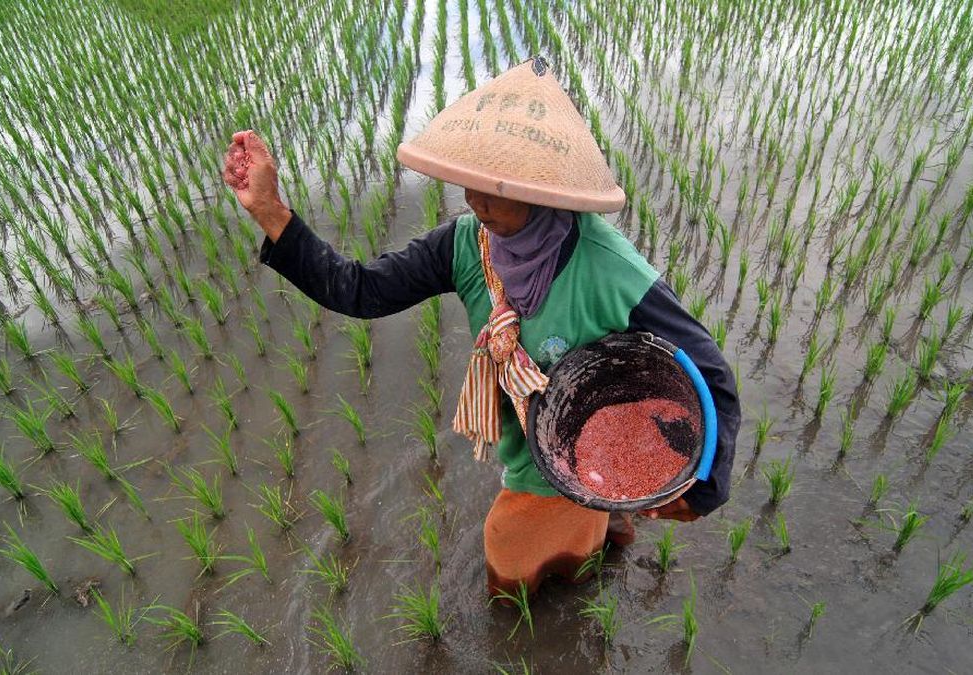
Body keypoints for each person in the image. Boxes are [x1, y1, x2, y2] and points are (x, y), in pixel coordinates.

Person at [223, 58, 740, 598]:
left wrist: (703, 489)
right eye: (469, 182)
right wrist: (269, 209)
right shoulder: (467, 243)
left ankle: (589, 543)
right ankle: (609, 528)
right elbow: (360, 290)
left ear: (543, 189)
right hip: (526, 432)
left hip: (574, 443)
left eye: (496, 187)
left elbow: (710, 373)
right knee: (582, 533)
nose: (475, 200)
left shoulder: (612, 271)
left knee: (508, 568)